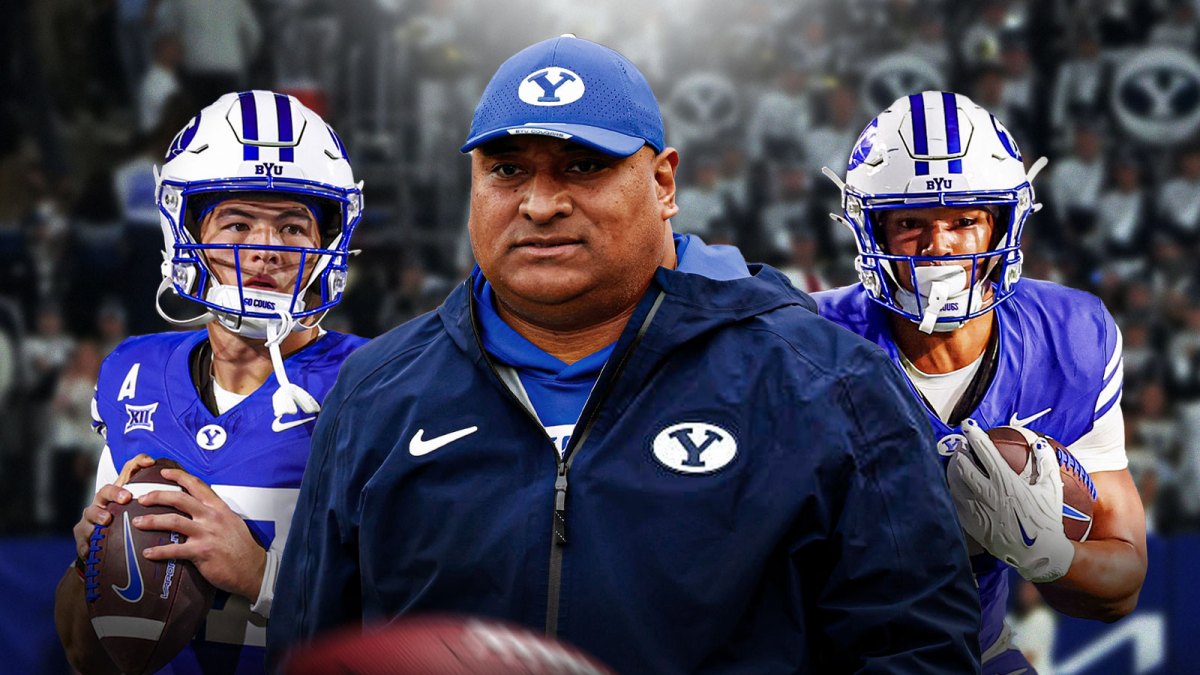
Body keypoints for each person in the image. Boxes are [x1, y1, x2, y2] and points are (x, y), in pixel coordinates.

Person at [268, 36, 981, 674]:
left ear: (663, 184)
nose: (540, 203)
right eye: (507, 170)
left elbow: (916, 653)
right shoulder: (376, 391)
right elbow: (309, 648)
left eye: (583, 166)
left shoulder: (829, 383)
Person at [814, 91, 1148, 674]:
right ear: (871, 230)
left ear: (1003, 224)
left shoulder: (1070, 338)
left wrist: (1048, 555)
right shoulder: (806, 340)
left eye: (965, 221)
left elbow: (1122, 582)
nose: (939, 246)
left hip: (968, 649)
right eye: (910, 223)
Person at [53, 90, 368, 674]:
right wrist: (91, 563)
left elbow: (420, 625)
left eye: (293, 227)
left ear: (326, 242)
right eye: (238, 223)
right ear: (187, 232)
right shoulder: (133, 375)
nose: (266, 250)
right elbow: (85, 654)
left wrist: (262, 577)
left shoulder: (377, 383)